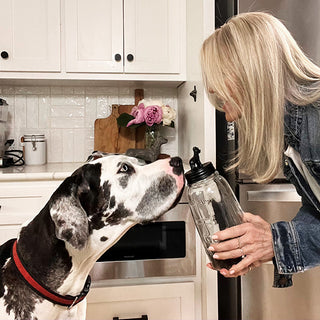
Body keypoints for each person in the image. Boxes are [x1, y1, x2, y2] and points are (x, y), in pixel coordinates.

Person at [200, 11, 320, 287]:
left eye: (224, 98)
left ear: (249, 77)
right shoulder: (292, 131)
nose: (228, 116)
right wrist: (268, 246)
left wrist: (278, 241)